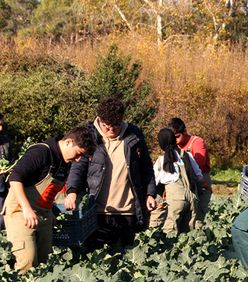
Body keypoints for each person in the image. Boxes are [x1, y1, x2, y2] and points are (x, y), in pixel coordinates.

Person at [65, 96, 157, 252]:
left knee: (126, 258)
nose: (111, 130)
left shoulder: (134, 135)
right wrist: (72, 191)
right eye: (107, 126)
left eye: (116, 125)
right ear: (100, 120)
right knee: (95, 258)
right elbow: (78, 166)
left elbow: (146, 167)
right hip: (97, 210)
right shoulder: (89, 136)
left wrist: (150, 193)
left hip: (127, 211)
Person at [2, 127, 96, 273]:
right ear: (69, 142)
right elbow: (15, 178)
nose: (77, 160)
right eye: (78, 154)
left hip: (43, 213)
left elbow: (48, 189)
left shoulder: (64, 161)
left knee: (45, 262)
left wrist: (49, 211)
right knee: (27, 261)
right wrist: (26, 209)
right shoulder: (41, 152)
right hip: (20, 211)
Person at [153, 128, 203, 235]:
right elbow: (199, 176)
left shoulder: (161, 161)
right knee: (190, 233)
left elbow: (153, 182)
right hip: (192, 199)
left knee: (170, 232)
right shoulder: (187, 155)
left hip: (175, 201)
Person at [168, 118, 211, 228]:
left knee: (197, 220)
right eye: (173, 138)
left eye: (177, 136)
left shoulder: (197, 143)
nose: (176, 140)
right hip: (183, 188)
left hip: (200, 185)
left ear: (185, 131)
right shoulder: (175, 146)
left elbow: (198, 168)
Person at [0, 113, 12, 229]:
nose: (1, 128)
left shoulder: (6, 141)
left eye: (2, 125)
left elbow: (11, 159)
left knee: (2, 219)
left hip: (3, 186)